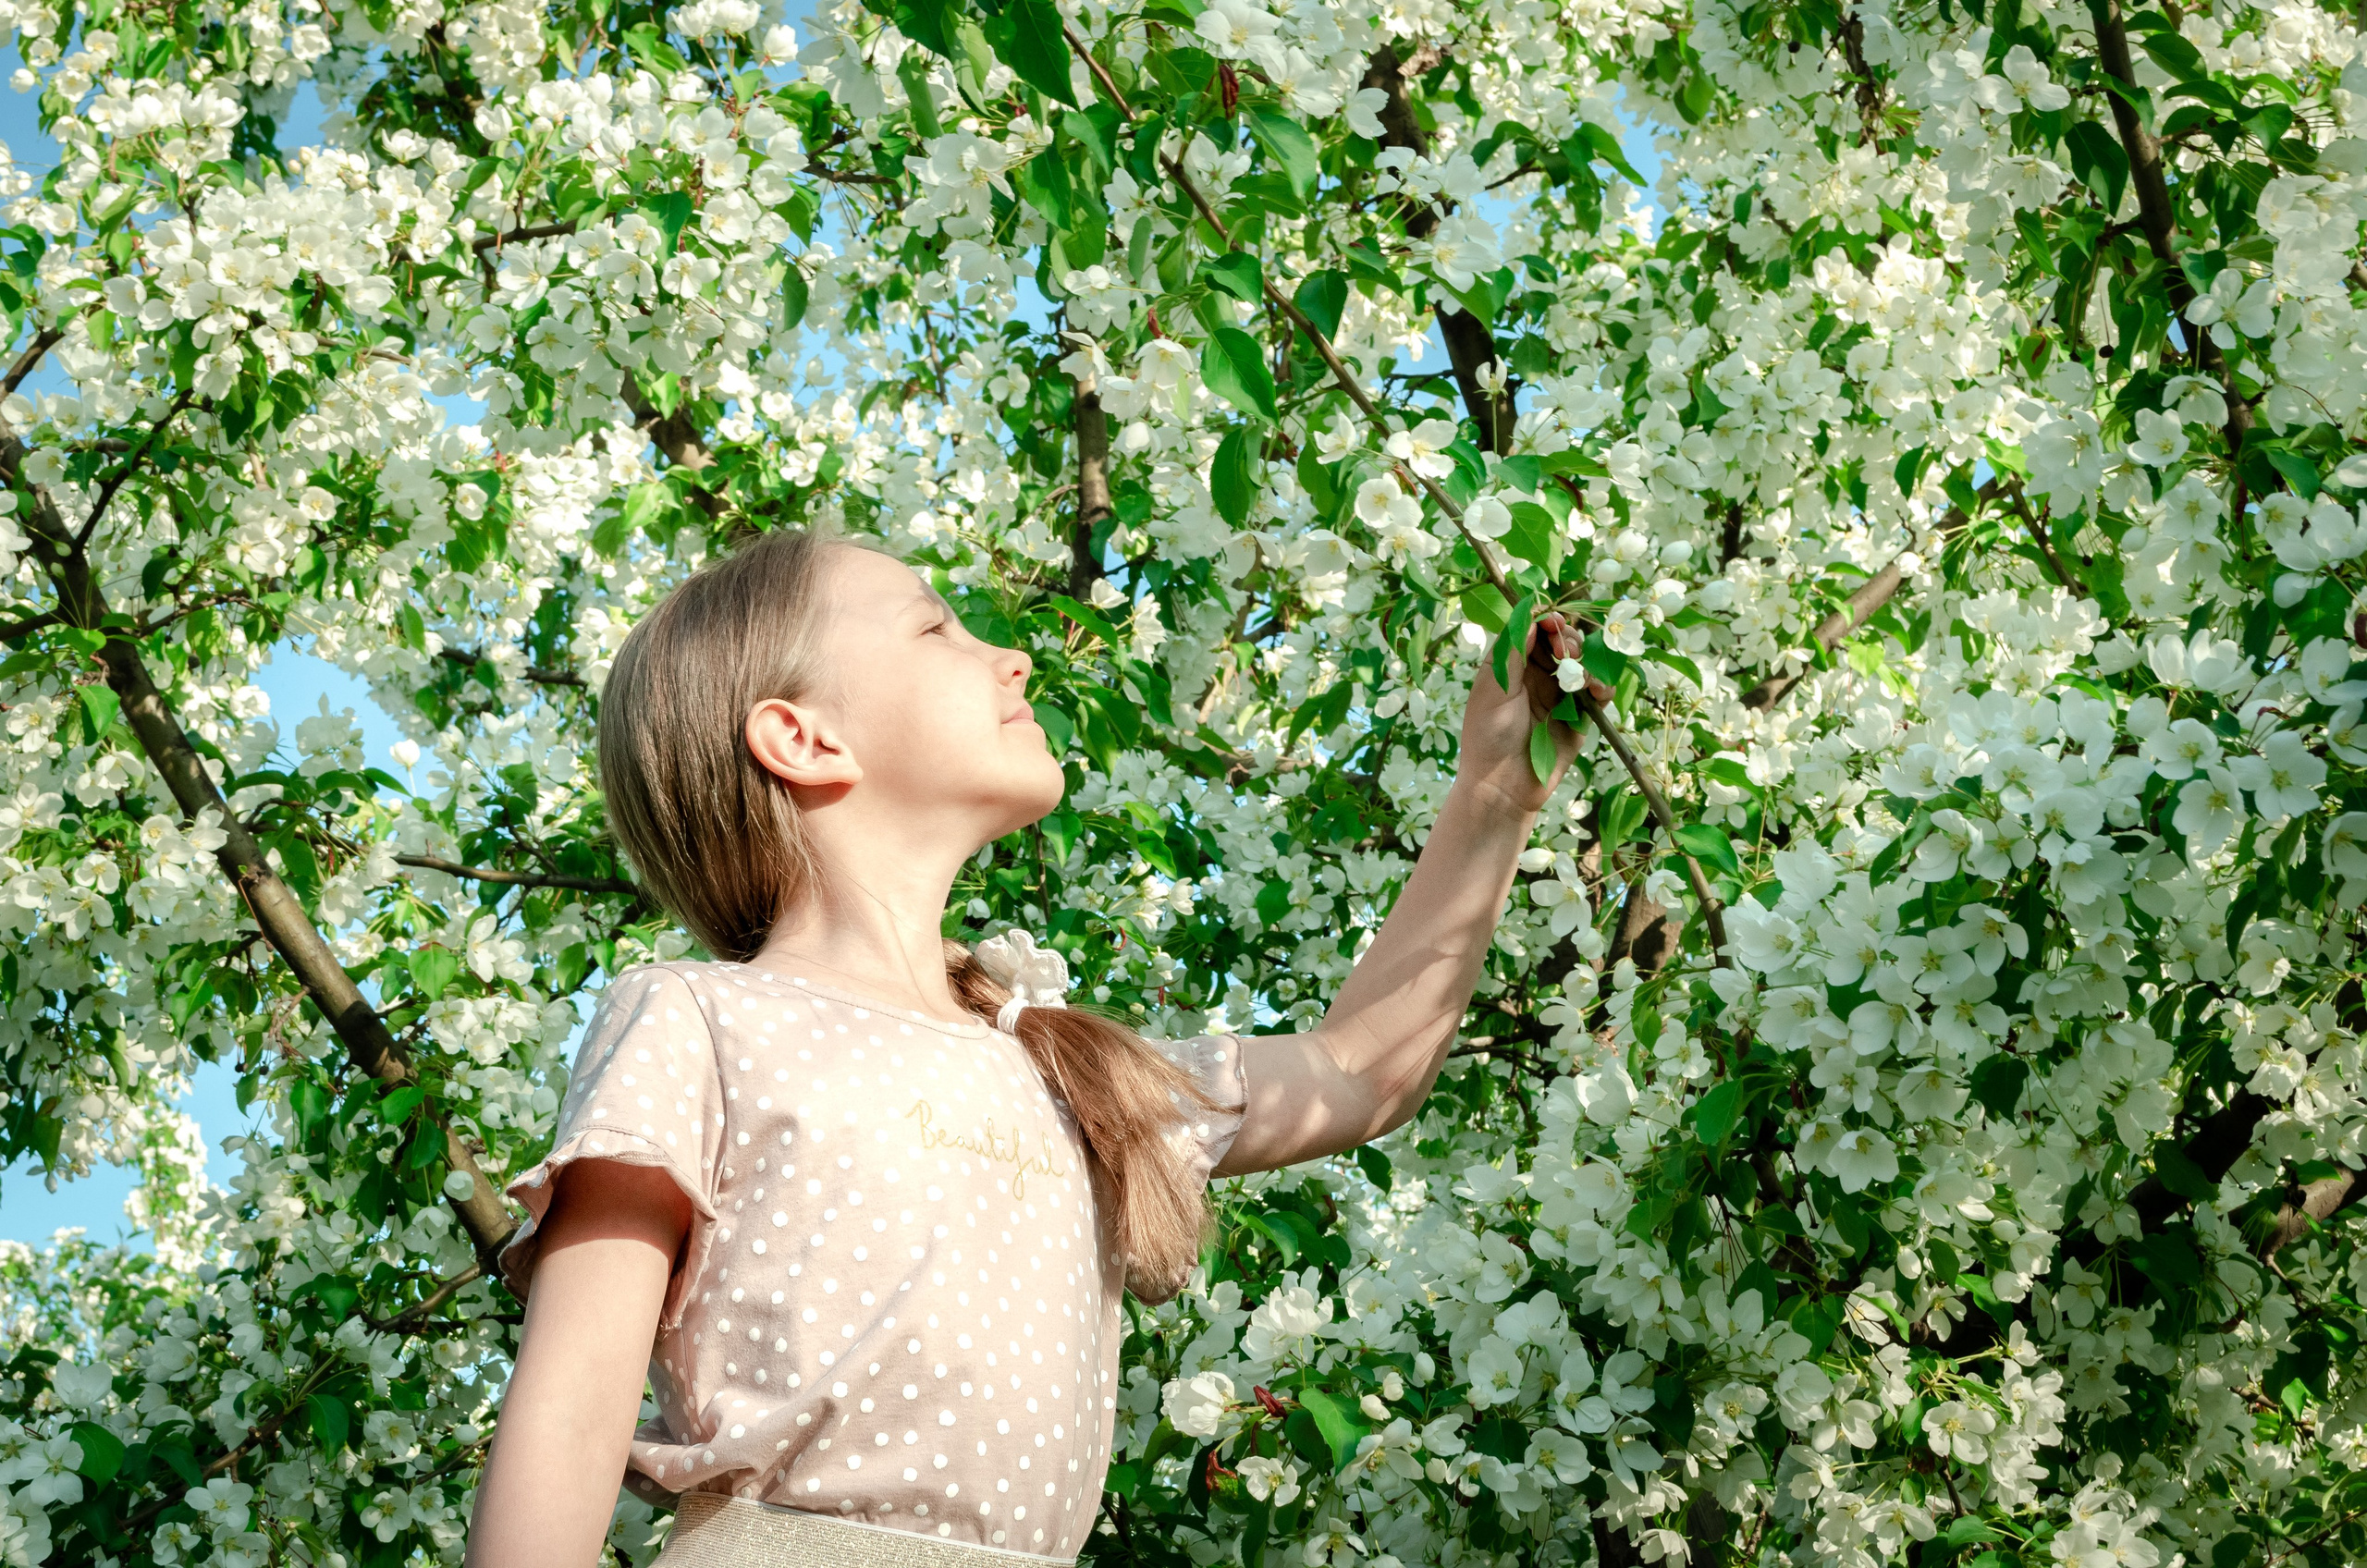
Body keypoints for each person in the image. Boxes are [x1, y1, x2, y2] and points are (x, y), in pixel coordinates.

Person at [462, 525, 1580, 1567]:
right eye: (935, 626)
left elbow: (1358, 1070)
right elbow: (569, 1407)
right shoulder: (699, 1019)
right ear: (802, 737)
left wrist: (1494, 788)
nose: (1013, 659)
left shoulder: (1060, 1068)